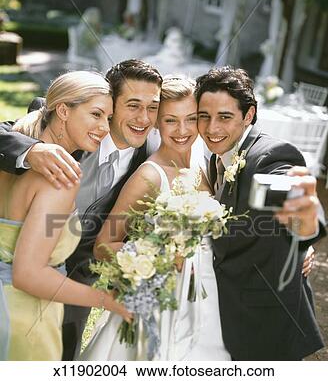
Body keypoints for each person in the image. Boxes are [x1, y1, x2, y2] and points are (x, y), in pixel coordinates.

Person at [0, 59, 162, 360]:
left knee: (67, 356)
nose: (144, 118)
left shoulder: (154, 157)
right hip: (23, 283)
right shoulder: (51, 135)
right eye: (133, 105)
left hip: (77, 275)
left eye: (152, 107)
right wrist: (30, 151)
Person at [80, 75, 231, 361]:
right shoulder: (149, 175)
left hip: (206, 299)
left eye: (191, 118)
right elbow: (103, 244)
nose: (183, 130)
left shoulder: (208, 165)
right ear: (156, 123)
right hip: (159, 304)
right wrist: (155, 260)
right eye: (170, 120)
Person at [195, 66, 326, 360]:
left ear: (249, 115)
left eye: (225, 117)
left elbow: (292, 190)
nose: (212, 127)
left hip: (266, 316)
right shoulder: (211, 154)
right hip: (228, 305)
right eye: (205, 116)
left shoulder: (270, 155)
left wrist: (305, 230)